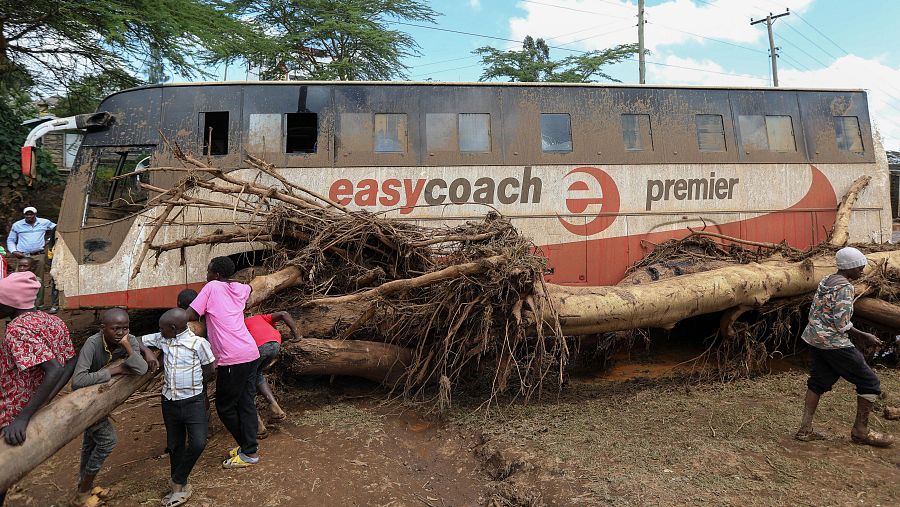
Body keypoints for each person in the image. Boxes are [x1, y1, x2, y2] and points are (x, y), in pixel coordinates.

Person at [795, 247, 894, 447]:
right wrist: (864, 335)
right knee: (870, 382)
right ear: (850, 266)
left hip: (815, 338)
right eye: (859, 266)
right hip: (833, 343)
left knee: (818, 382)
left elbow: (817, 311)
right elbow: (841, 323)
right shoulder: (845, 288)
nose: (862, 270)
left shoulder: (827, 280)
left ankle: (805, 430)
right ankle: (861, 432)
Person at [0, 272, 76, 506]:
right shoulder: (53, 321)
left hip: (10, 411)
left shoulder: (17, 329)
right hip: (30, 404)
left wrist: (23, 418)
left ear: (11, 301)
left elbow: (53, 369)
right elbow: (70, 360)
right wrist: (46, 399)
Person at [184, 256, 262, 468]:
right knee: (245, 402)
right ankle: (250, 446)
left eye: (209, 271)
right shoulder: (240, 288)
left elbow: (190, 314)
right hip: (250, 351)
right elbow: (250, 290)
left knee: (225, 407)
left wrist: (170, 322)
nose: (206, 275)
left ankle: (249, 450)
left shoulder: (212, 287)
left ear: (216, 275)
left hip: (232, 357)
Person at [70, 308, 153, 507]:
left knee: (90, 444)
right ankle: (82, 492)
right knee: (107, 442)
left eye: (125, 328)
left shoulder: (127, 338)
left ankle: (85, 488)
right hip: (87, 402)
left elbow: (141, 369)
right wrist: (116, 369)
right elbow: (78, 380)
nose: (120, 333)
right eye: (115, 329)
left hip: (102, 401)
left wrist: (131, 346)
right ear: (103, 328)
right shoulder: (92, 343)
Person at [142, 308, 215, 507]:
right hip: (169, 402)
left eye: (162, 328)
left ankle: (178, 479)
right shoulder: (163, 339)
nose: (159, 331)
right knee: (175, 445)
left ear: (173, 328)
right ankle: (178, 488)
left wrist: (199, 388)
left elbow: (210, 368)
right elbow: (138, 340)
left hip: (193, 401)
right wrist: (148, 352)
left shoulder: (198, 344)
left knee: (198, 442)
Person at [244, 311, 298, 435]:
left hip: (258, 348)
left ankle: (258, 425)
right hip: (275, 345)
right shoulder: (260, 317)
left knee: (246, 383)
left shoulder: (240, 324)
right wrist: (297, 335)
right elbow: (284, 314)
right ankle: (275, 407)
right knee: (257, 374)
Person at [6, 207, 57, 311]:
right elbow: (11, 240)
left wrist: (49, 240)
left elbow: (57, 229)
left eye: (31, 214)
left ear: (35, 214)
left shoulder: (44, 222)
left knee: (38, 280)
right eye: (27, 214)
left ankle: (39, 305)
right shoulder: (17, 225)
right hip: (23, 256)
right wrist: (14, 251)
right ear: (24, 215)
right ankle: (20, 304)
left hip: (39, 255)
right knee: (20, 279)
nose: (29, 216)